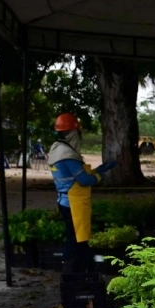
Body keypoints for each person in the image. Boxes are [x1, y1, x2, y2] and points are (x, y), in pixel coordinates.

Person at [47, 112, 115, 272]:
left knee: (77, 240)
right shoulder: (67, 155)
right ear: (72, 134)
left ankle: (81, 270)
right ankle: (70, 273)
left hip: (64, 202)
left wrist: (98, 169)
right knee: (76, 240)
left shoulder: (57, 150)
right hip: (73, 204)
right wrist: (100, 176)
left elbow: (73, 176)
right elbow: (84, 180)